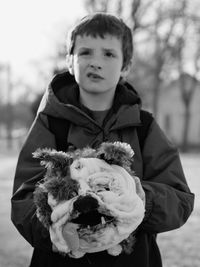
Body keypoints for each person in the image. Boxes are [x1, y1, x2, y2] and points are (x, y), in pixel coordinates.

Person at [11, 13, 194, 267]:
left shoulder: (144, 127)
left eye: (108, 54)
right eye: (85, 52)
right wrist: (58, 225)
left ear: (126, 66)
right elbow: (24, 202)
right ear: (70, 61)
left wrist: (139, 198)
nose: (96, 62)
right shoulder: (52, 124)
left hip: (133, 259)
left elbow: (180, 199)